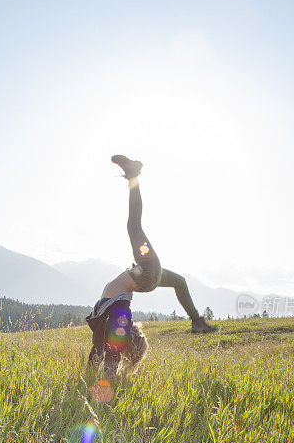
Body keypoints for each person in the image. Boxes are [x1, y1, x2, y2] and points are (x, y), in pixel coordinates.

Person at [86, 155, 216, 377]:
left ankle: (133, 175)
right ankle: (133, 175)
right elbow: (108, 354)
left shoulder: (113, 320)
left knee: (178, 280)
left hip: (147, 275)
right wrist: (104, 376)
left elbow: (100, 352)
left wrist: (90, 377)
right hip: (147, 273)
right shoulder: (120, 316)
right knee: (133, 225)